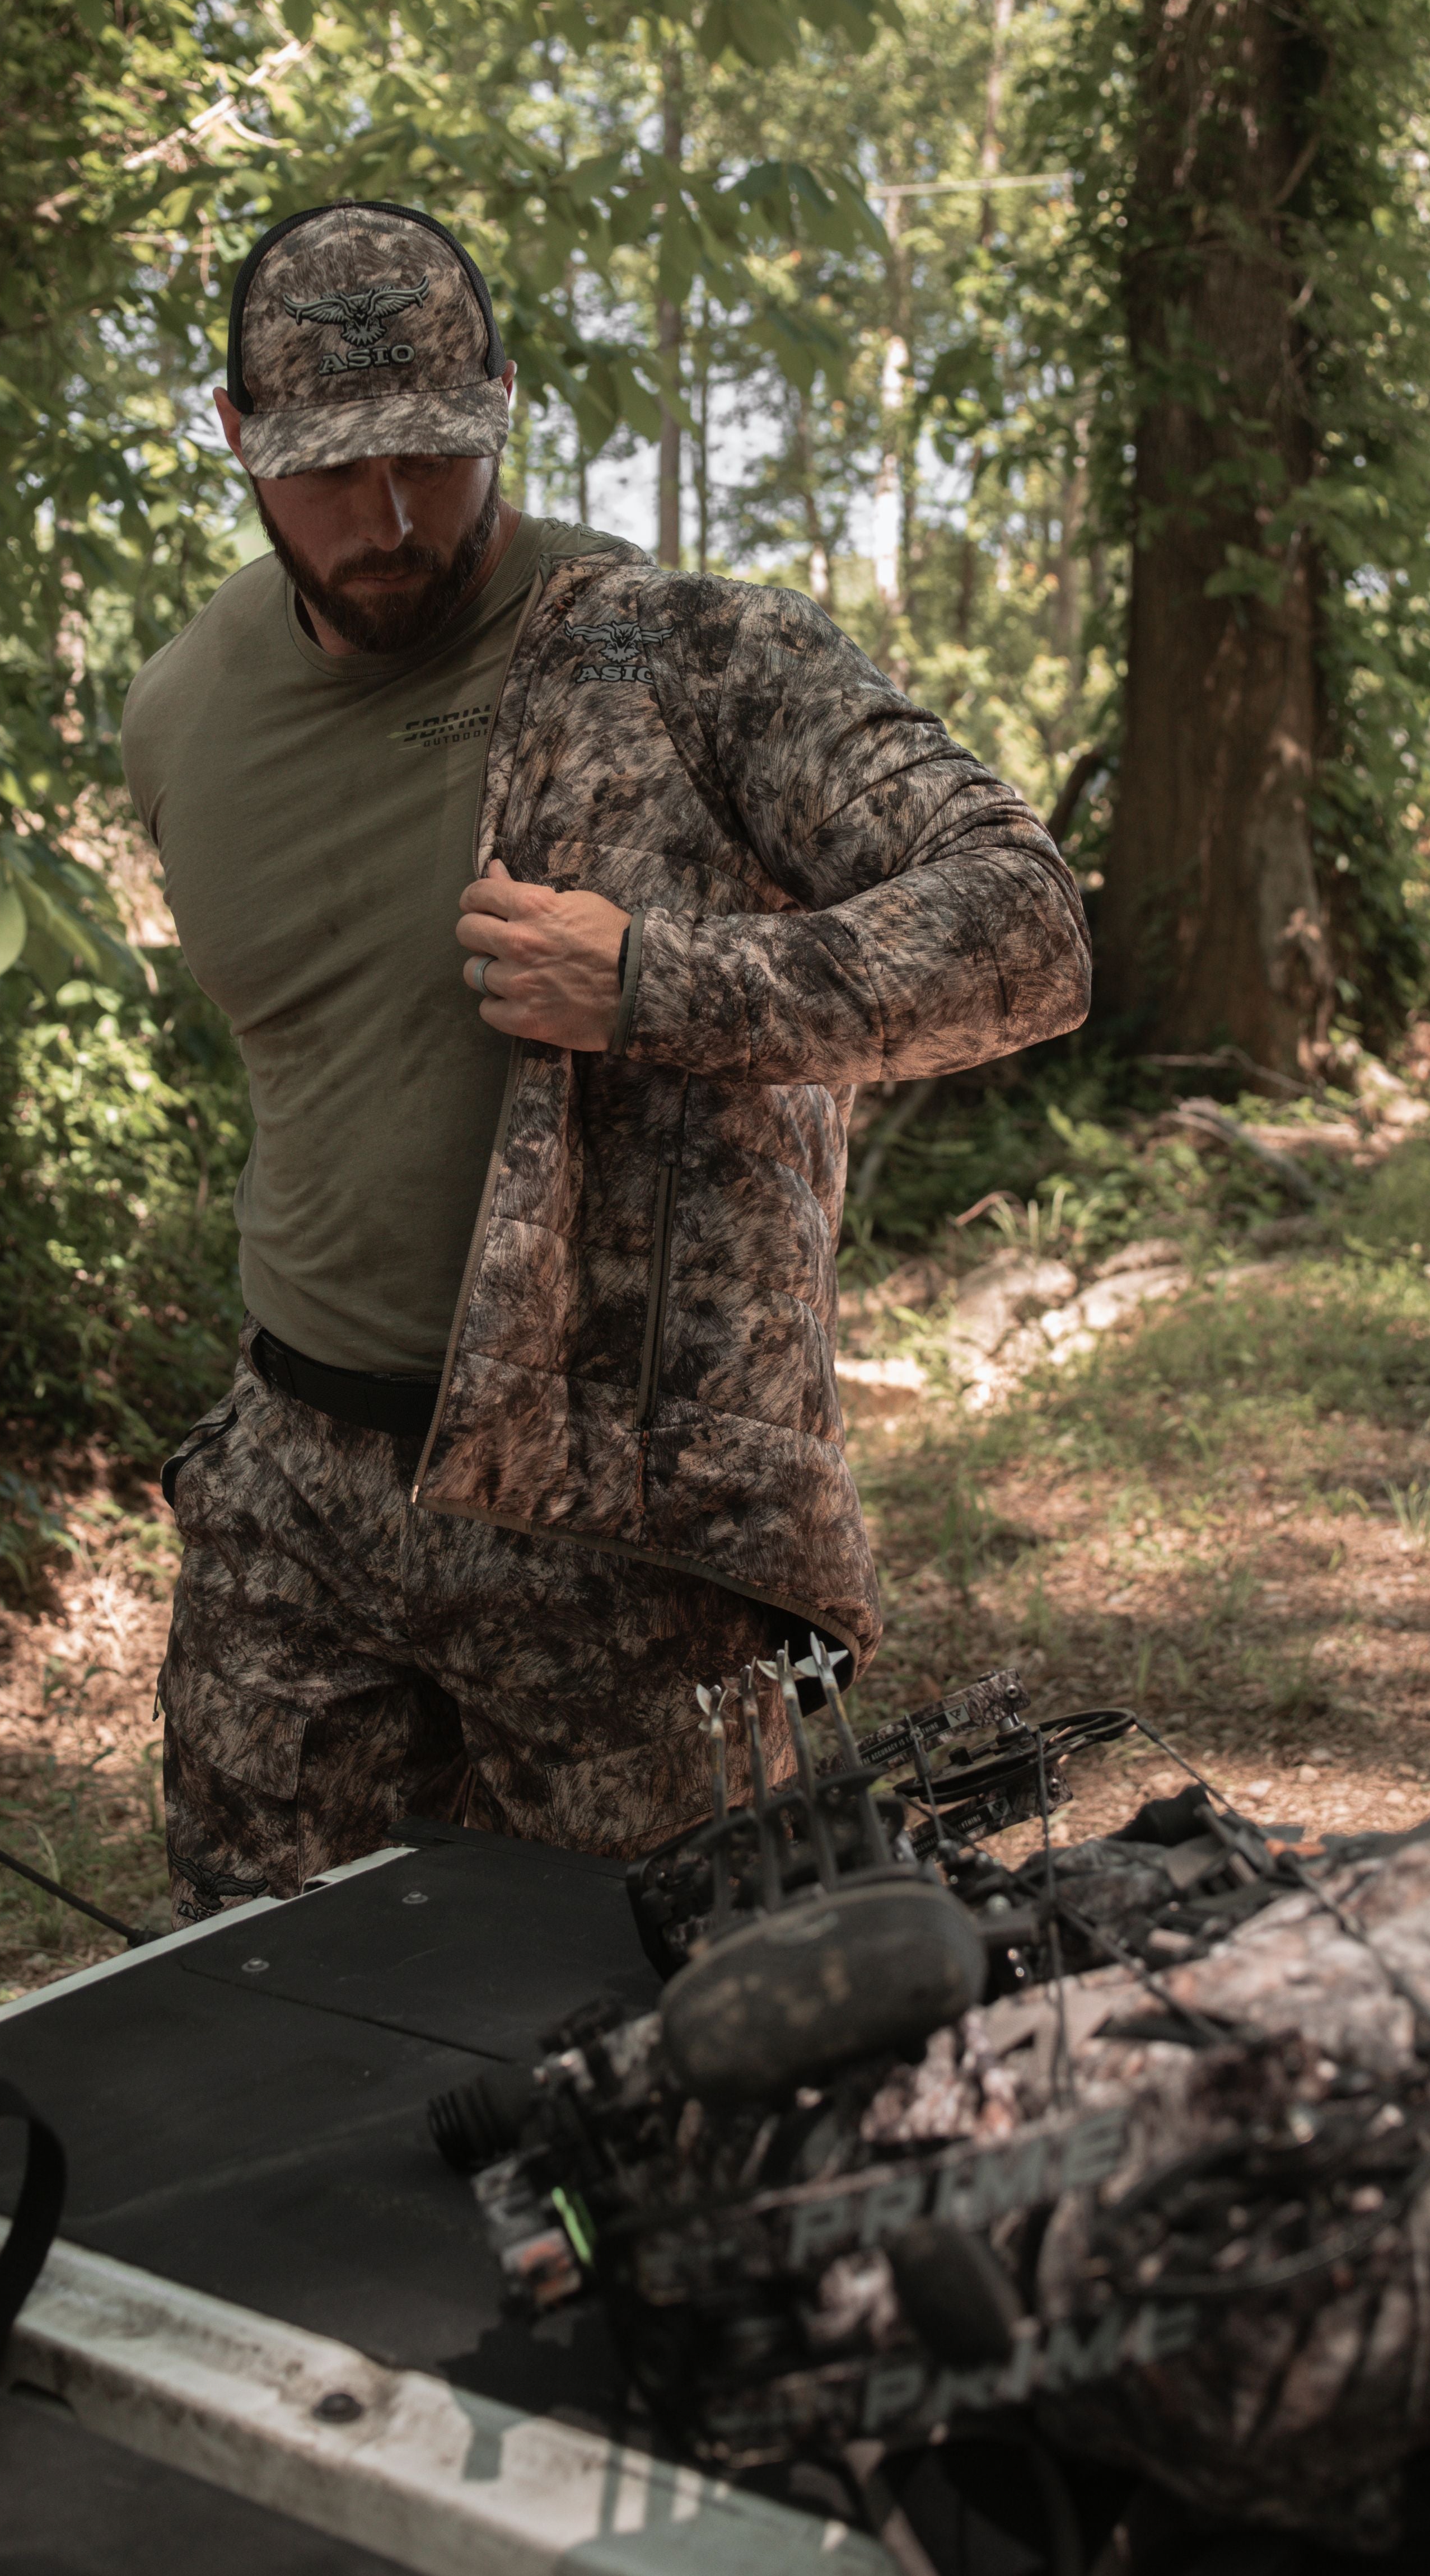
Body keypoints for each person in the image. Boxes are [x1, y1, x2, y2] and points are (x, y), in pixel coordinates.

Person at [121, 198, 1089, 1913]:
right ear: (236, 441)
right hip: (294, 1488)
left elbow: (1025, 932)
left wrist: (660, 982)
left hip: (622, 1518)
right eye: (333, 471)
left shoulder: (680, 654)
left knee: (677, 2050)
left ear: (503, 397)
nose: (394, 516)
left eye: (436, 452)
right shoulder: (182, 709)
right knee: (259, 2024)